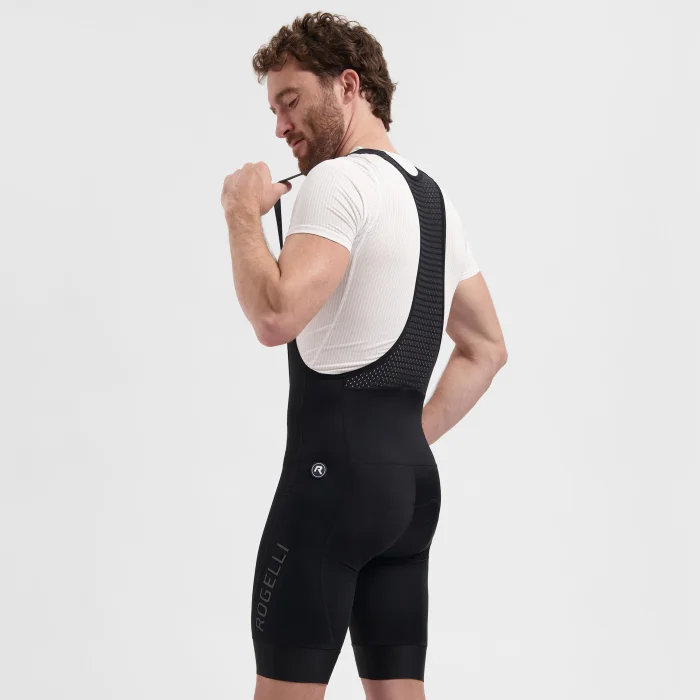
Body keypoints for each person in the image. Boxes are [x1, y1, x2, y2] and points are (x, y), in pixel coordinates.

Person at [220, 11, 508, 700]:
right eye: (273, 110)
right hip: (408, 493)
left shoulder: (337, 183)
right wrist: (400, 444)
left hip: (331, 486)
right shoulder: (434, 201)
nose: (280, 126)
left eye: (291, 102)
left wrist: (239, 211)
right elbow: (486, 348)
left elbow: (275, 314)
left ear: (348, 86)